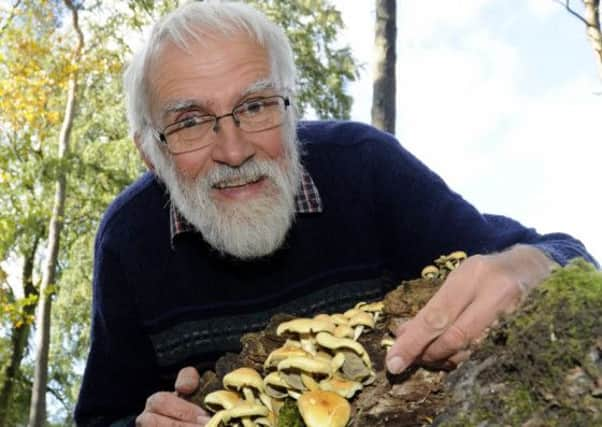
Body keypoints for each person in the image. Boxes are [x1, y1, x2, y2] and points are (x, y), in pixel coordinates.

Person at [74, 2, 597, 426]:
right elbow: (103, 416)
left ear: (291, 108)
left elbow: (559, 254)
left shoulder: (363, 167)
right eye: (190, 121)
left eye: (255, 106)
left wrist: (530, 269)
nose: (233, 152)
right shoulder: (128, 240)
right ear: (151, 153)